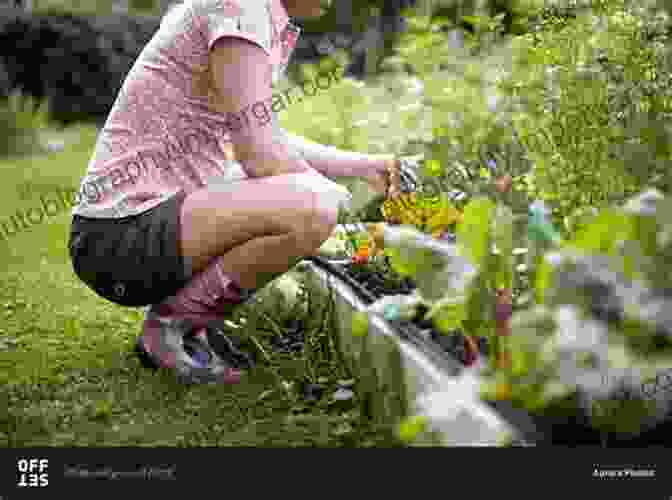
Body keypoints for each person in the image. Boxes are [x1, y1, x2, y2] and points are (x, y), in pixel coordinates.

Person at [68, 0, 404, 385]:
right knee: (315, 205)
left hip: (131, 229)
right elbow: (259, 153)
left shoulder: (245, 10)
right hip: (122, 237)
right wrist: (338, 204)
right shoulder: (241, 10)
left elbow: (258, 136)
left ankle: (186, 322)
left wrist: (366, 166)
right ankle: (172, 326)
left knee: (307, 196)